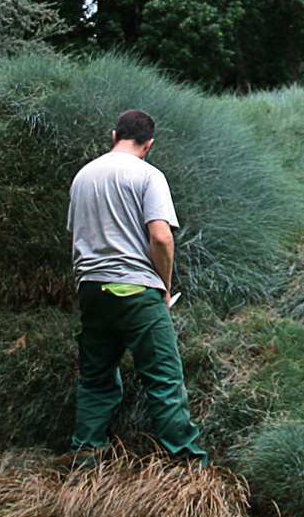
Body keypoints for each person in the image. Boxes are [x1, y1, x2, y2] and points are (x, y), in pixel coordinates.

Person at [67, 109, 207, 464]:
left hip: (91, 289)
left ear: (114, 136)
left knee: (96, 380)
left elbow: (78, 234)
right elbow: (161, 237)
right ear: (149, 144)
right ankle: (189, 467)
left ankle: (85, 463)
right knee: (164, 380)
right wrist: (164, 284)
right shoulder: (149, 175)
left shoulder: (83, 176)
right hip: (136, 291)